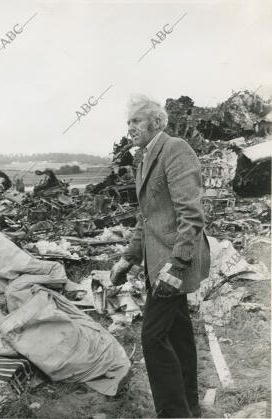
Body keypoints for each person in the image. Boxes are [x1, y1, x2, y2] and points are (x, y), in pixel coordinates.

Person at [110, 95, 210, 418]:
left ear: (156, 122)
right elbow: (146, 218)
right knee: (178, 336)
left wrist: (176, 265)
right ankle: (190, 408)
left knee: (152, 337)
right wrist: (128, 259)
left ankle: (173, 413)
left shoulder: (175, 149)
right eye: (128, 123)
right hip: (157, 266)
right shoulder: (143, 160)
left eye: (136, 121)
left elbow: (191, 215)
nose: (130, 129)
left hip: (173, 266)